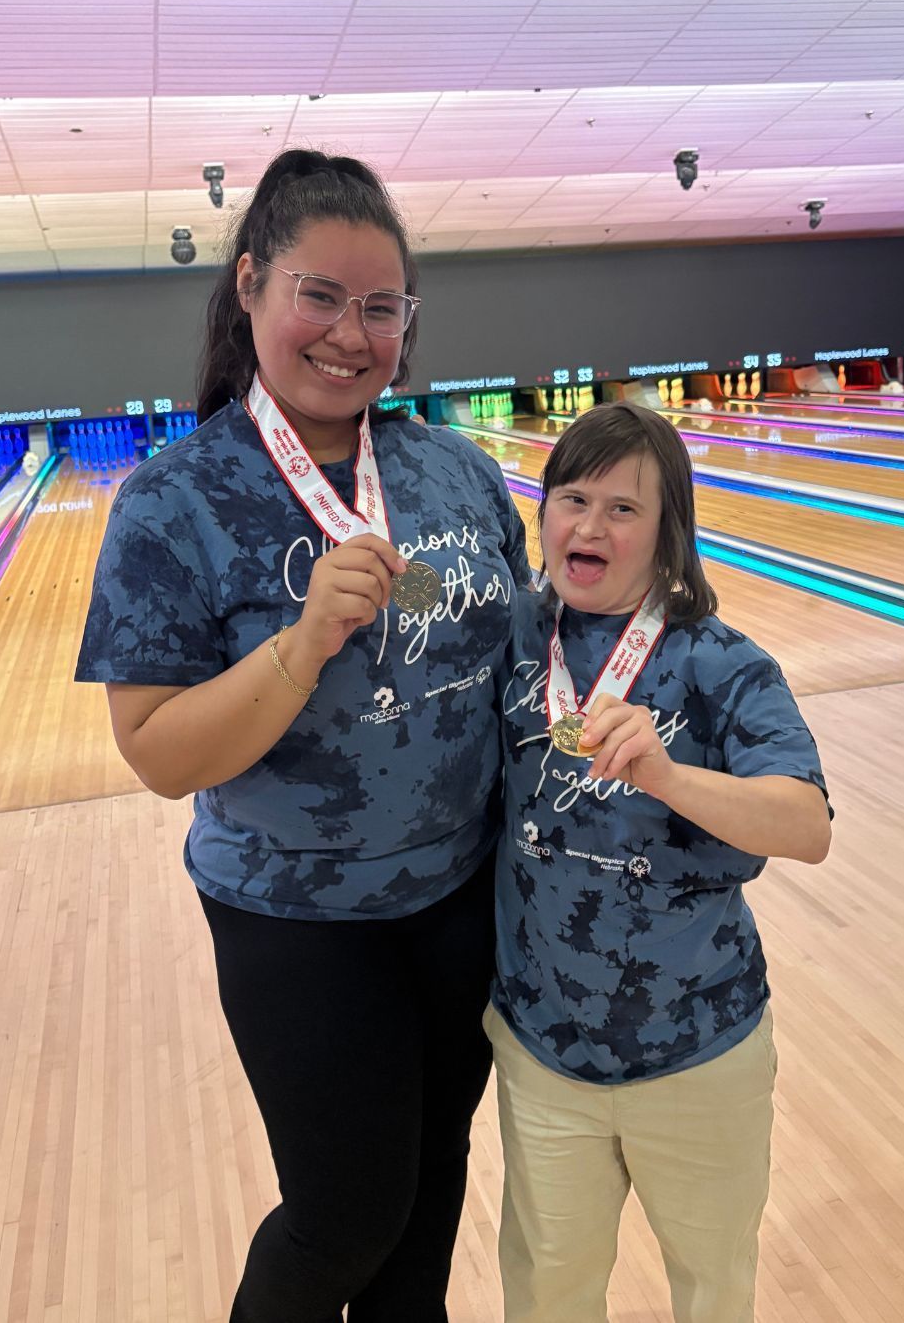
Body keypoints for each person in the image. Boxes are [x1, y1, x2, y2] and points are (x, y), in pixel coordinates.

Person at [75, 148, 531, 1323]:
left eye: (382, 307)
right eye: (318, 295)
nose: (350, 333)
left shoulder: (459, 473)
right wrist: (298, 644)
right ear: (250, 289)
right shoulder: (174, 502)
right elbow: (158, 753)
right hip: (297, 924)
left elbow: (527, 677)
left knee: (429, 1196)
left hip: (460, 903)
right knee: (343, 1212)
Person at [486, 401, 832, 1323]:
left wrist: (670, 775)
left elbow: (806, 825)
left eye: (623, 508)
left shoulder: (723, 665)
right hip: (543, 1051)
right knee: (548, 1292)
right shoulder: (511, 641)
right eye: (571, 499)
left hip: (699, 1048)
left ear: (669, 534)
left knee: (712, 1290)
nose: (589, 526)